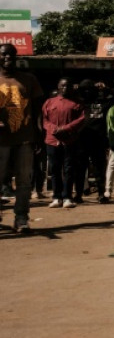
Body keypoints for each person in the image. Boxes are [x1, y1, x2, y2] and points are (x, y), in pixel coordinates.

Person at [0, 43, 44, 232]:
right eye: (3, 55)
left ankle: (21, 218)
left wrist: (39, 135)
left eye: (11, 55)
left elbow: (37, 110)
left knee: (24, 181)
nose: (7, 58)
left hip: (25, 137)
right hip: (0, 140)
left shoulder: (28, 79)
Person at [42, 77, 86, 208]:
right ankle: (56, 197)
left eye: (68, 86)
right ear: (58, 87)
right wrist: (53, 129)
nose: (65, 88)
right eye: (63, 86)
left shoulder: (77, 103)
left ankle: (67, 196)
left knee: (69, 169)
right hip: (52, 140)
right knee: (54, 169)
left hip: (69, 140)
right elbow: (44, 119)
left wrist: (65, 129)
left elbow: (81, 119)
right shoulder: (49, 102)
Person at [78, 80, 114, 204]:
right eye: (84, 90)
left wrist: (106, 88)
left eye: (90, 89)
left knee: (99, 169)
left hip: (98, 140)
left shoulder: (103, 102)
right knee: (80, 168)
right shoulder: (79, 102)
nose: (87, 92)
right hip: (82, 140)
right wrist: (76, 87)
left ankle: (101, 194)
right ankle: (78, 194)